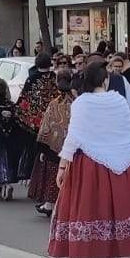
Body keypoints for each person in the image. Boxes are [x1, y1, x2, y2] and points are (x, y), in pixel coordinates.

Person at [50, 62, 130, 258]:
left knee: (84, 209)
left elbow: (73, 137)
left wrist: (63, 165)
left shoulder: (81, 103)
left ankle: (74, 255)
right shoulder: (118, 101)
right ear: (105, 80)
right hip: (119, 163)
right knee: (113, 210)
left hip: (88, 163)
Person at [31, 67, 75, 215]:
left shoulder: (54, 104)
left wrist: (42, 148)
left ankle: (51, 204)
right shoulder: (77, 101)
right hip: (74, 146)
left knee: (53, 176)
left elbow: (46, 126)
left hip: (54, 146)